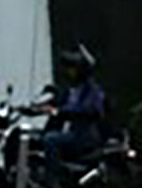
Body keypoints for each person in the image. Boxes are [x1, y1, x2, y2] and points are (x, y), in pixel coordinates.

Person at [37, 45, 108, 176]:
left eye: (73, 68)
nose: (69, 72)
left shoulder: (92, 91)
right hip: (72, 133)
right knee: (36, 136)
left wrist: (60, 111)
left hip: (84, 136)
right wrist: (33, 108)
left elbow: (88, 110)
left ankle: (53, 179)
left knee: (50, 140)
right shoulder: (72, 90)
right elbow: (56, 102)